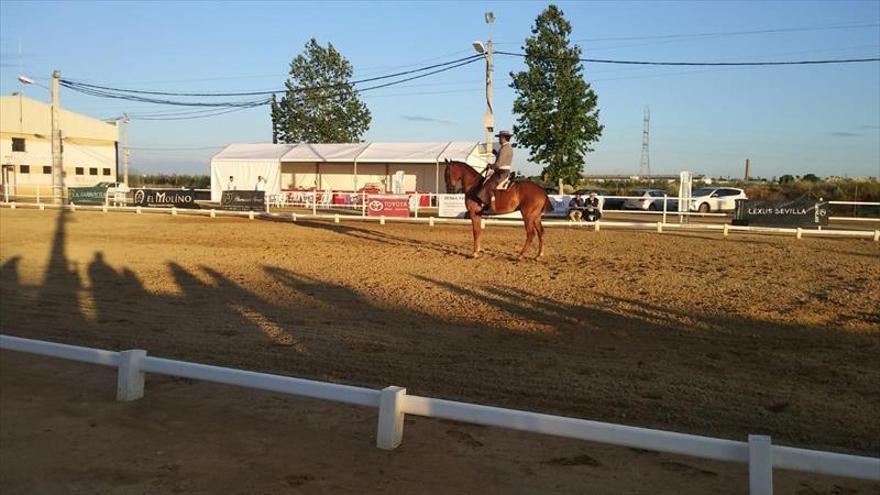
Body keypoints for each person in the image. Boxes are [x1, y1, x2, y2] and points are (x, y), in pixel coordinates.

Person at [476, 129, 513, 213]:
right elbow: (502, 158)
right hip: (501, 171)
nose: (499, 139)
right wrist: (496, 154)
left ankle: (491, 206)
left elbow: (499, 164)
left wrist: (491, 166)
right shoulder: (505, 148)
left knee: (488, 185)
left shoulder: (505, 148)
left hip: (502, 172)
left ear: (504, 138)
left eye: (500, 138)